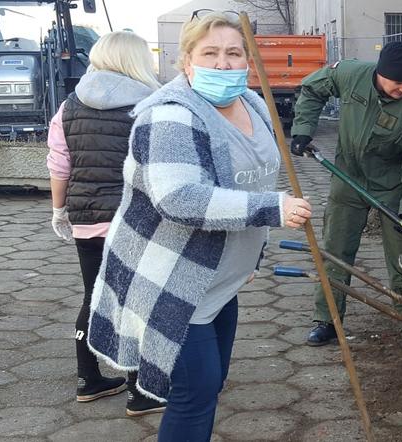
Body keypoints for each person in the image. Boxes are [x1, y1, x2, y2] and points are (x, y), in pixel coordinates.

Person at [85, 11, 312, 441]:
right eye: (210, 53)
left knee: (212, 382)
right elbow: (179, 198)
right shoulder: (170, 116)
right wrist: (273, 208)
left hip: (220, 281)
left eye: (233, 53)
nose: (223, 63)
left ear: (248, 58)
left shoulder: (253, 103)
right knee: (194, 392)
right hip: (172, 280)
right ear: (186, 62)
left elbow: (255, 170)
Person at [289, 41, 402, 352]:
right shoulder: (350, 74)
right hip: (349, 176)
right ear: (380, 73)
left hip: (392, 186)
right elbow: (312, 88)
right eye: (398, 82)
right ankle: (327, 319)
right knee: (336, 248)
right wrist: (303, 128)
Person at [46, 30, 164, 415]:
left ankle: (88, 379)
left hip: (86, 218)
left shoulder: (69, 104)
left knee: (94, 297)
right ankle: (140, 391)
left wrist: (60, 210)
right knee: (136, 301)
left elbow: (59, 163)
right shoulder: (151, 102)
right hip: (133, 220)